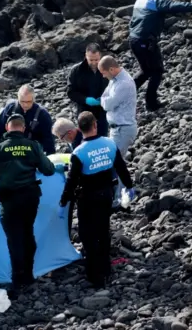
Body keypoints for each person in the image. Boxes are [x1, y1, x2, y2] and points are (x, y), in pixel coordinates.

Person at [0, 113, 57, 297]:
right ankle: (29, 274)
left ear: (7, 128)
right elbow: (48, 170)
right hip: (30, 197)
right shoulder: (33, 146)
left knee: (14, 238)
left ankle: (18, 278)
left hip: (9, 200)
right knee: (27, 232)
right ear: (23, 128)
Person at [58, 112, 134, 288]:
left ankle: (94, 275)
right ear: (95, 125)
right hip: (106, 194)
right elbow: (121, 167)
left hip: (87, 198)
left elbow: (72, 181)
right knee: (103, 230)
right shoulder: (109, 144)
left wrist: (63, 202)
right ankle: (106, 269)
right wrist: (129, 187)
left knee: (87, 235)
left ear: (79, 129)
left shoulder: (78, 152)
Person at [129, 0, 192, 111]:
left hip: (134, 40)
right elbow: (172, 6)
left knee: (146, 70)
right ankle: (151, 104)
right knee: (157, 70)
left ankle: (123, 97)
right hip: (146, 41)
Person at [98, 56, 137, 207]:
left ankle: (121, 199)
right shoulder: (114, 80)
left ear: (112, 69)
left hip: (123, 129)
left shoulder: (124, 84)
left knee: (117, 163)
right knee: (114, 161)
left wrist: (105, 101)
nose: (103, 75)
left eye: (104, 72)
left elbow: (107, 104)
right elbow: (104, 97)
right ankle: (118, 192)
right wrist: (105, 100)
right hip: (116, 128)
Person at [0, 84, 56, 155]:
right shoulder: (9, 109)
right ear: (18, 98)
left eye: (29, 102)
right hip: (10, 147)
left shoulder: (43, 115)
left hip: (32, 149)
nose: (25, 105)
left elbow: (48, 138)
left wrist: (50, 157)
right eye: (22, 101)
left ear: (33, 99)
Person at [67, 44, 109, 145]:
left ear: (100, 56)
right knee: (82, 141)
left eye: (96, 60)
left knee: (102, 139)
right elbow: (70, 92)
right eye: (91, 60)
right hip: (84, 112)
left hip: (102, 111)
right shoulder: (76, 71)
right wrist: (85, 99)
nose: (94, 63)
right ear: (86, 55)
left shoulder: (107, 68)